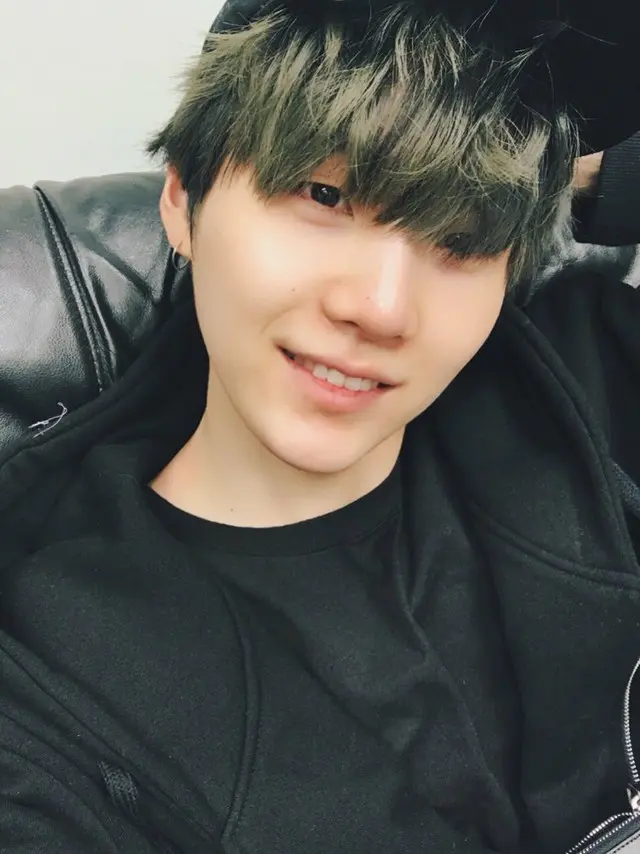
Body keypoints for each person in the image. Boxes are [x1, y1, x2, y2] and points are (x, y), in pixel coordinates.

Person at [1, 1, 640, 852]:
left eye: (463, 234)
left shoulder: (583, 373)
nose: (382, 308)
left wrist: (559, 181)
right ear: (184, 198)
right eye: (325, 194)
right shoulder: (55, 677)